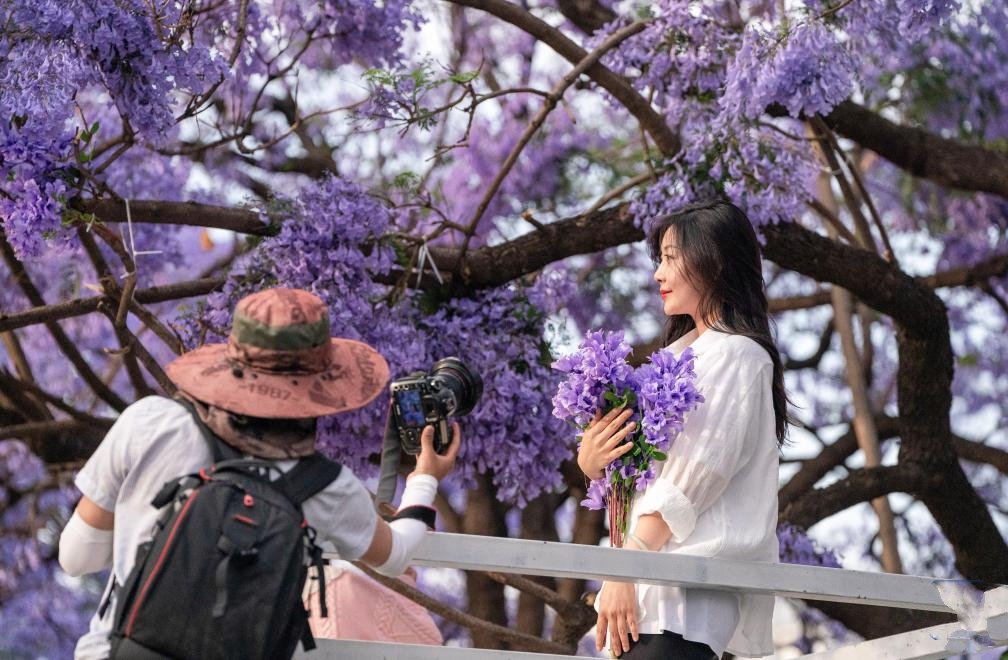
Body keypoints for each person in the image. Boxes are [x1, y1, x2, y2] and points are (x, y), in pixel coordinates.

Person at [58, 287, 461, 660]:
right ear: (322, 381)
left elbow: (77, 559)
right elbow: (397, 556)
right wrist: (424, 477)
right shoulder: (326, 485)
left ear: (231, 362)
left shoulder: (152, 423)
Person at [577, 199, 787, 659]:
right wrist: (594, 463)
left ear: (714, 261)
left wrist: (624, 566)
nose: (658, 274)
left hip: (683, 604)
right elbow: (643, 481)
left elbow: (694, 478)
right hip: (643, 597)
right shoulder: (677, 360)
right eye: (661, 259)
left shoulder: (738, 355)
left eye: (671, 258)